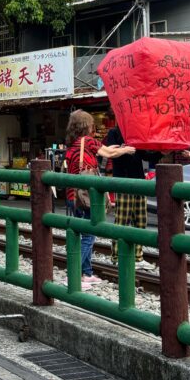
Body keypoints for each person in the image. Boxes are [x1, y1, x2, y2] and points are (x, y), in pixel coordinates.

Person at [98, 121, 156, 270]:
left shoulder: (137, 132)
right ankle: (116, 256)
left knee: (141, 220)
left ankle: (138, 256)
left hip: (139, 181)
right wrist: (125, 150)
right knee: (122, 220)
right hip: (122, 180)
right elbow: (111, 154)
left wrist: (162, 152)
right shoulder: (114, 132)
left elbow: (147, 156)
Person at [64, 111, 103, 291]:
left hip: (72, 196)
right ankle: (73, 275)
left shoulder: (71, 144)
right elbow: (107, 152)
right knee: (89, 234)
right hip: (85, 196)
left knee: (82, 233)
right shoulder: (87, 141)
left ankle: (86, 273)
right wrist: (125, 149)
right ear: (86, 125)